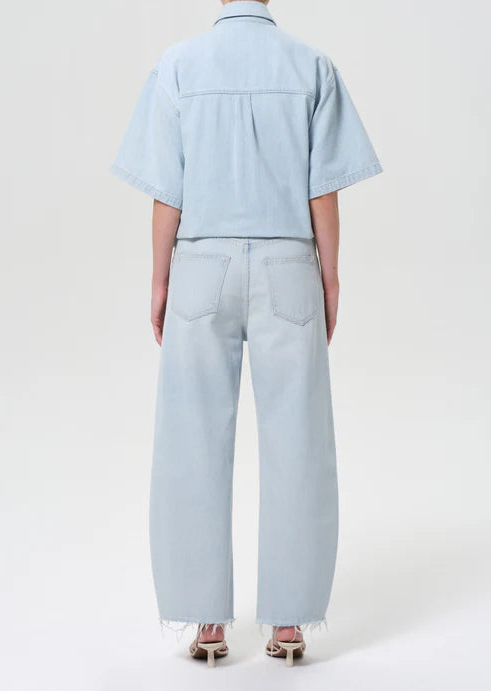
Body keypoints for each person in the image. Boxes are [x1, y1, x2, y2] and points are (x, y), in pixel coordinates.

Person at [110, 0, 382, 668]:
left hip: (200, 263)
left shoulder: (178, 66)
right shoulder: (310, 65)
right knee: (299, 441)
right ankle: (287, 624)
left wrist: (159, 279)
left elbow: (167, 192)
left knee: (191, 440)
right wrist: (329, 276)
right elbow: (323, 191)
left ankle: (207, 623)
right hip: (290, 262)